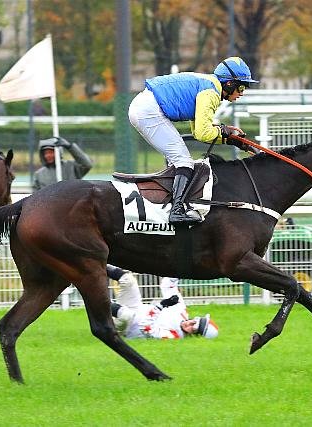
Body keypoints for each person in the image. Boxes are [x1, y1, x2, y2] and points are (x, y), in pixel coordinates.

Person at [128, 56, 259, 225]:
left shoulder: (208, 86)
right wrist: (224, 131)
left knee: (180, 161)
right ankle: (176, 211)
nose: (242, 93)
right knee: (183, 161)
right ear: (229, 84)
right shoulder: (211, 92)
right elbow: (204, 133)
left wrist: (231, 140)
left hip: (145, 107)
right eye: (241, 87)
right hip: (149, 111)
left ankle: (172, 206)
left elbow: (198, 132)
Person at [107, 265, 218, 340]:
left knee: (127, 315)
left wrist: (161, 306)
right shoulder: (182, 312)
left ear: (194, 336)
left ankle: (97, 304)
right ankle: (98, 263)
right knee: (128, 280)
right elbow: (168, 284)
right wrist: (184, 270)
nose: (189, 324)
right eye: (193, 321)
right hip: (135, 307)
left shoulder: (174, 336)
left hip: (126, 328)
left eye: (193, 329)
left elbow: (145, 328)